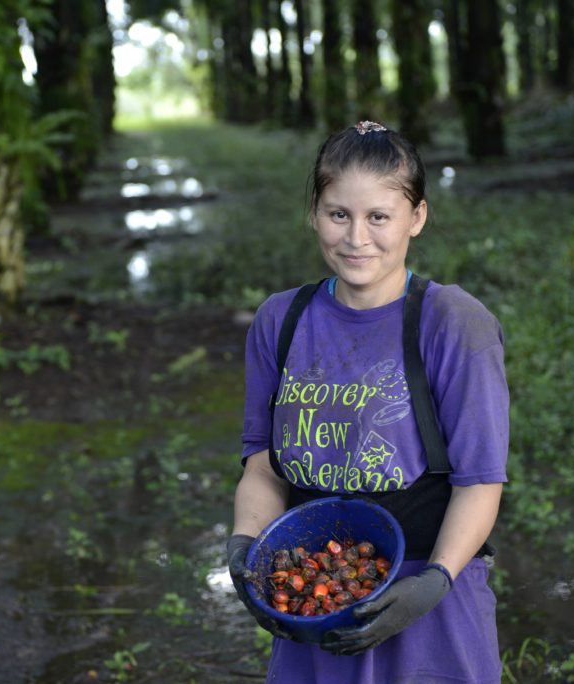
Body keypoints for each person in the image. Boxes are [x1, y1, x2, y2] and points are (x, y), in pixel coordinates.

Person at [227, 121, 508, 683]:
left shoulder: (453, 323)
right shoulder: (281, 321)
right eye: (339, 214)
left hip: (428, 595)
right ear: (314, 213)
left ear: (417, 218)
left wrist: (433, 583)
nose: (357, 237)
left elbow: (479, 480)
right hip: (317, 593)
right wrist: (244, 544)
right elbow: (263, 465)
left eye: (379, 216)